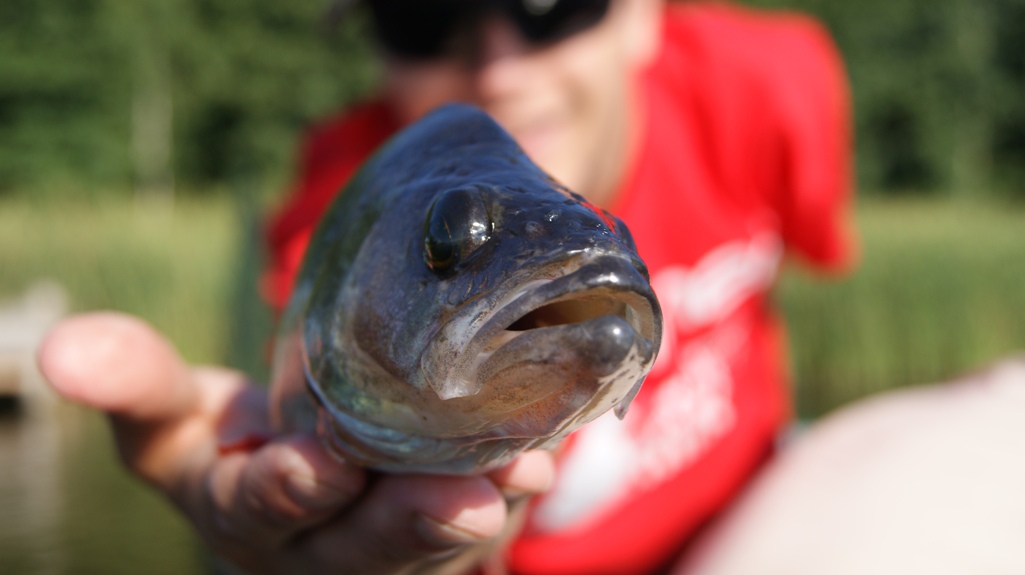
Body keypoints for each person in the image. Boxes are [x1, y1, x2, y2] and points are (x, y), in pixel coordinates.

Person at [39, 0, 857, 573]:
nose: (500, 70)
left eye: (549, 7)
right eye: (424, 18)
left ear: (643, 12)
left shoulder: (767, 87)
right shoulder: (341, 223)